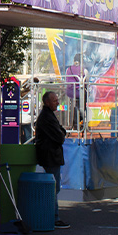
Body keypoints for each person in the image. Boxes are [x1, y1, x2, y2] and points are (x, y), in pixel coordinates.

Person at [34, 91, 70, 228]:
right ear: (47, 102)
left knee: (54, 187)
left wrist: (61, 132)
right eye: (55, 100)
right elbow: (60, 136)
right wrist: (61, 133)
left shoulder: (48, 116)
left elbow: (60, 132)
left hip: (50, 155)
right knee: (53, 188)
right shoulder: (47, 117)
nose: (57, 103)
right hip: (50, 156)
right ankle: (54, 217)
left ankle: (52, 216)